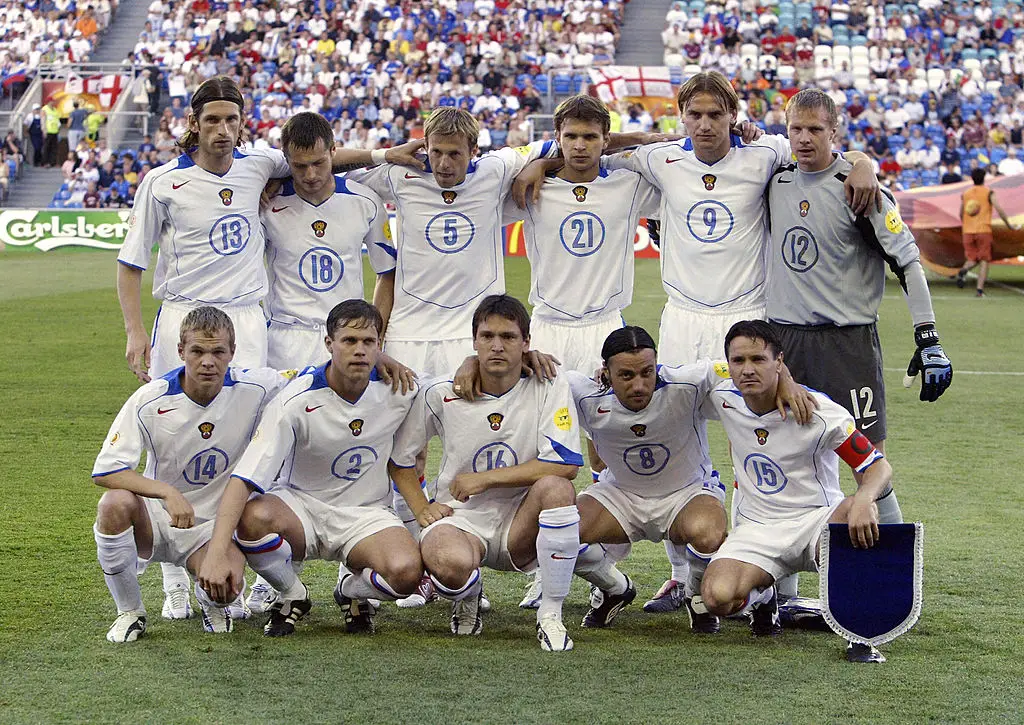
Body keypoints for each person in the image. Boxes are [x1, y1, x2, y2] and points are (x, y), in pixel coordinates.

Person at [116, 76, 423, 620]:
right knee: (169, 438)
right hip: (194, 318)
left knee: (255, 442)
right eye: (212, 119)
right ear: (194, 122)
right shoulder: (166, 182)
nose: (223, 129)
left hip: (252, 324)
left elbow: (322, 158)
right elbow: (133, 261)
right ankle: (175, 581)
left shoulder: (262, 167)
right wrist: (136, 331)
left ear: (242, 121)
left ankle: (264, 570)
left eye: (231, 119)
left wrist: (381, 153)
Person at [589, 71, 880, 611]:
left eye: (715, 114)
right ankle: (684, 574)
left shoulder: (765, 153)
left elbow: (820, 145)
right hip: (683, 318)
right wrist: (633, 140)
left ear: (733, 116)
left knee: (770, 431)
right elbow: (597, 145)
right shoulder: (663, 160)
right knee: (674, 432)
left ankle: (783, 586)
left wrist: (865, 161)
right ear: (681, 117)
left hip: (746, 318)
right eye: (693, 114)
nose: (704, 124)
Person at [766, 89, 953, 540]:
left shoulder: (860, 188)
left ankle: (892, 568)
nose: (805, 138)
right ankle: (778, 588)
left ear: (834, 131)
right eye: (797, 129)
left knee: (867, 461)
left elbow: (907, 262)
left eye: (816, 129)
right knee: (784, 460)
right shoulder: (775, 180)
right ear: (786, 130)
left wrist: (927, 337)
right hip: (784, 346)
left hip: (847, 344)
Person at [197, 301, 424, 637]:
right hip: (301, 507)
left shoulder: (403, 390)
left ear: (380, 345)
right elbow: (243, 480)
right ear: (329, 344)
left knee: (406, 575)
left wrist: (490, 363)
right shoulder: (295, 400)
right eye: (349, 341)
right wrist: (216, 551)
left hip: (366, 513)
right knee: (252, 517)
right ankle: (292, 593)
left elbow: (455, 389)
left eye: (368, 342)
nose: (359, 350)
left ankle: (350, 591)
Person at [390, 295, 585, 651]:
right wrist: (421, 509)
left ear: (527, 343)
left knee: (557, 489)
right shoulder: (442, 392)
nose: (497, 346)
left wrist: (484, 479)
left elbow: (565, 464)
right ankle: (468, 594)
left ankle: (551, 616)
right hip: (460, 518)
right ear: (474, 341)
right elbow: (400, 459)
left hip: (520, 521)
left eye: (509, 337)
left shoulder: (549, 382)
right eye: (487, 336)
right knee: (448, 563)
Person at [91, 307, 289, 642]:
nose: (208, 361)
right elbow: (107, 470)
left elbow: (321, 374)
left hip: (212, 528)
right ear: (181, 351)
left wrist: (379, 362)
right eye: (197, 351)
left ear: (232, 353)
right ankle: (130, 612)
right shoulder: (150, 399)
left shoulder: (255, 386)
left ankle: (211, 600)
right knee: (113, 504)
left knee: (225, 586)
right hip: (157, 520)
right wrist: (167, 493)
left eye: (218, 352)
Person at [700, 321, 892, 663]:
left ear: (780, 362)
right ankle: (763, 598)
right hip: (756, 529)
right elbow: (658, 375)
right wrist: (605, 374)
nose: (747, 370)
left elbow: (877, 466)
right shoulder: (719, 390)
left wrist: (864, 498)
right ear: (726, 364)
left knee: (853, 510)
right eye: (738, 361)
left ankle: (859, 631)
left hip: (815, 523)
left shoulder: (819, 413)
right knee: (717, 599)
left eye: (758, 360)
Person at [262, 112, 395, 370]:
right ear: (285, 161)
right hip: (284, 339)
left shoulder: (365, 201)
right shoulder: (267, 202)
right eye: (299, 166)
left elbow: (387, 273)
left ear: (334, 152)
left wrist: (374, 336)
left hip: (345, 338)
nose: (310, 174)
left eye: (319, 163)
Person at [956, 167, 1018, 296]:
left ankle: (964, 270)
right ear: (984, 178)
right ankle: (979, 290)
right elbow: (999, 209)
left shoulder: (966, 193)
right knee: (984, 259)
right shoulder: (989, 192)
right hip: (983, 230)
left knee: (972, 258)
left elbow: (961, 213)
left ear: (972, 178)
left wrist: (966, 224)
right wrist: (1008, 224)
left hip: (968, 230)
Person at [42, 99, 62, 168]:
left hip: (55, 131)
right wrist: (44, 130)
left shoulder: (55, 110)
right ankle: (45, 162)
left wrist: (59, 128)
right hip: (48, 131)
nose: (53, 102)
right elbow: (43, 120)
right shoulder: (44, 109)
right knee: (46, 147)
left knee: (54, 148)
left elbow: (57, 120)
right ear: (49, 102)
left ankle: (52, 162)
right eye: (52, 101)